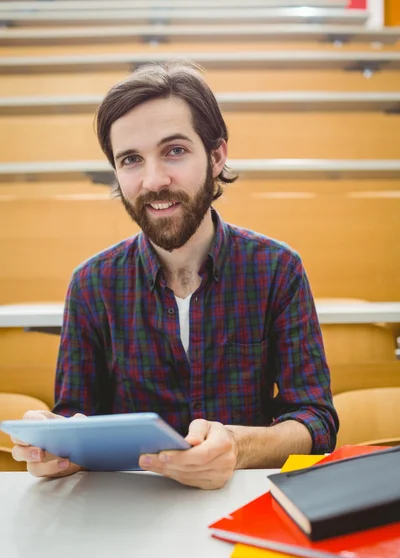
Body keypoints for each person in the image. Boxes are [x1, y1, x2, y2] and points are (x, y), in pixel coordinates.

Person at [12, 61, 339, 488]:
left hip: (244, 502)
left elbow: (316, 422)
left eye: (175, 151)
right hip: (130, 514)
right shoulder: (91, 285)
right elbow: (78, 419)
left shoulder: (278, 269)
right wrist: (57, 448)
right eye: (131, 159)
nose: (154, 180)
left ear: (217, 155)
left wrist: (239, 448)